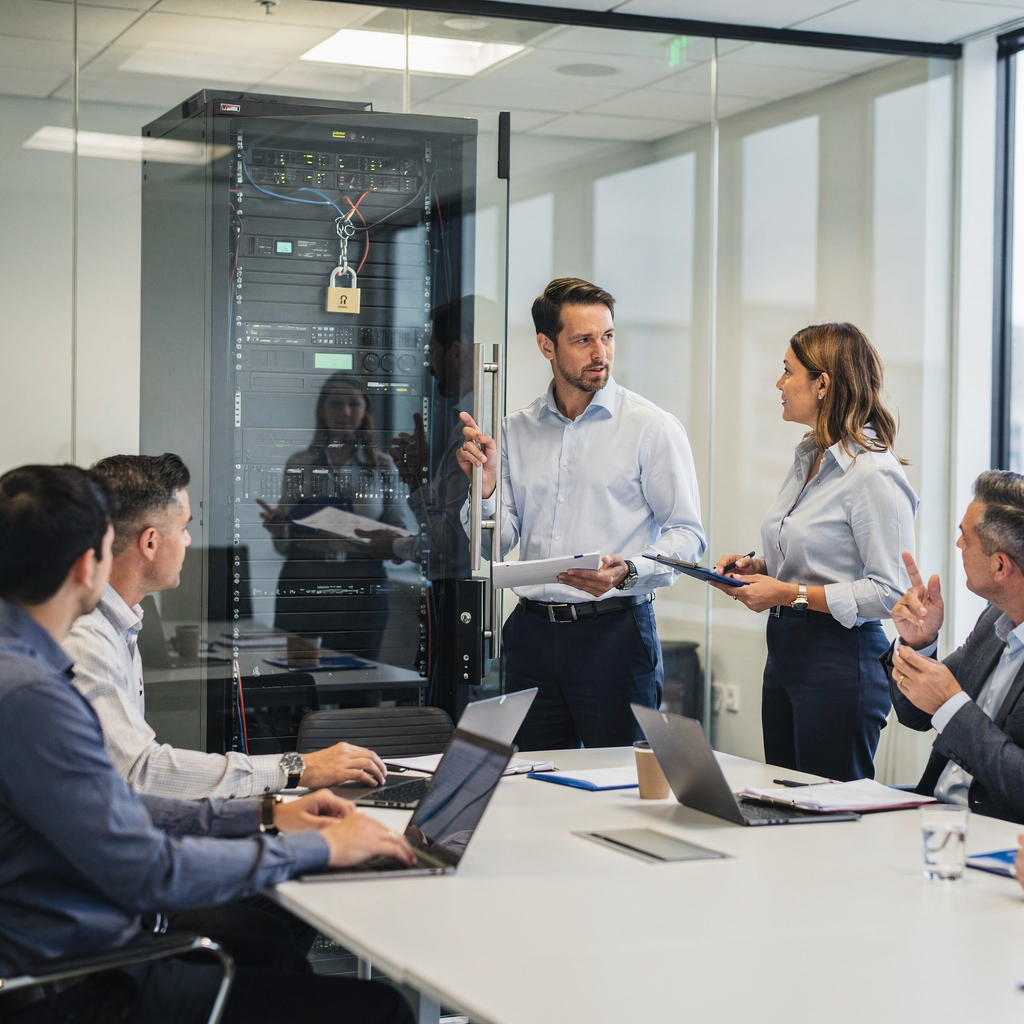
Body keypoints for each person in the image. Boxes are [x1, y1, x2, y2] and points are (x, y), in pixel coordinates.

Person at [0, 463, 415, 1024]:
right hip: (85, 984)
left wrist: (265, 815)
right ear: (85, 566)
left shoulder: (24, 668)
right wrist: (316, 848)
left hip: (74, 953)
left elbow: (115, 805)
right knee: (383, 1010)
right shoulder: (32, 695)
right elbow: (150, 870)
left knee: (278, 951)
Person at [457, 277, 705, 749]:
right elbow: (496, 543)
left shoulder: (651, 428)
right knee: (532, 778)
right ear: (546, 346)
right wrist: (484, 487)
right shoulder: (514, 431)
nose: (600, 353)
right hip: (531, 638)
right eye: (583, 340)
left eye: (607, 336)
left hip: (615, 636)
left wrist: (628, 570)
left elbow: (688, 537)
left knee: (621, 778)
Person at [64, 453, 389, 801]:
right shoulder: (86, 638)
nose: (188, 541)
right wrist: (295, 768)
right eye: (184, 528)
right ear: (150, 543)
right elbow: (140, 773)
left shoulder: (120, 622)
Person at [713, 322, 918, 781]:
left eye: (788, 372)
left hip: (840, 661)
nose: (779, 383)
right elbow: (817, 556)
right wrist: (756, 567)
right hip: (786, 653)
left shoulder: (874, 474)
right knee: (781, 800)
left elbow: (892, 592)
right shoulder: (810, 456)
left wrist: (788, 593)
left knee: (829, 813)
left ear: (821, 383)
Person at [887, 470, 1024, 825]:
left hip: (996, 836)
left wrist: (952, 706)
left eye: (966, 537)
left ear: (1000, 566)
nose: (958, 544)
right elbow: (915, 713)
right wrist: (918, 642)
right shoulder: (994, 620)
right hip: (933, 816)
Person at [258, 374, 410, 659]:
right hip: (305, 579)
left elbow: (399, 530)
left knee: (360, 675)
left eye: (354, 403)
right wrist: (281, 531)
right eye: (336, 403)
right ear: (322, 409)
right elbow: (284, 543)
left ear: (366, 409)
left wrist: (371, 539)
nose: (345, 412)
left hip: (362, 583)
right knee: (297, 674)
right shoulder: (300, 463)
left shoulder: (383, 466)